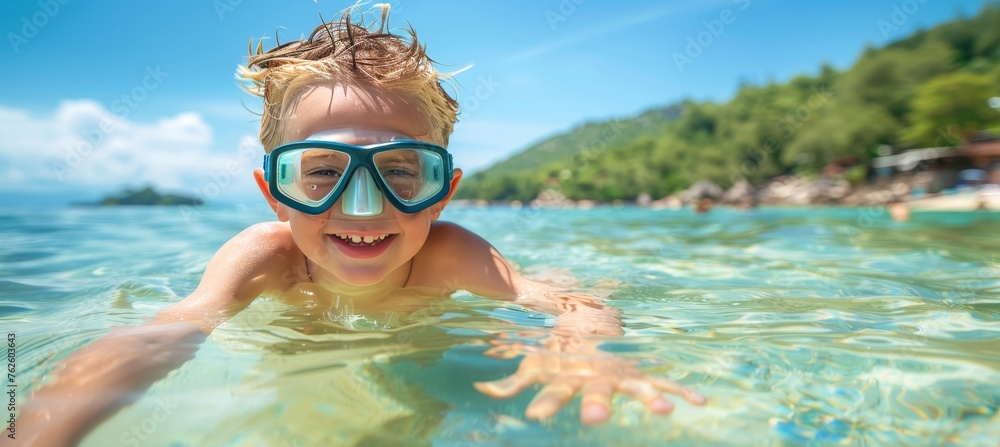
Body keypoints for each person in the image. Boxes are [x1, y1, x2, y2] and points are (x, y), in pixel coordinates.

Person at [7, 5, 704, 446]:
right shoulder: (263, 258)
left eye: (402, 173)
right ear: (274, 194)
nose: (362, 207)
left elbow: (576, 298)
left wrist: (582, 346)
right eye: (320, 173)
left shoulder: (450, 256)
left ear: (443, 193)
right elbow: (159, 336)